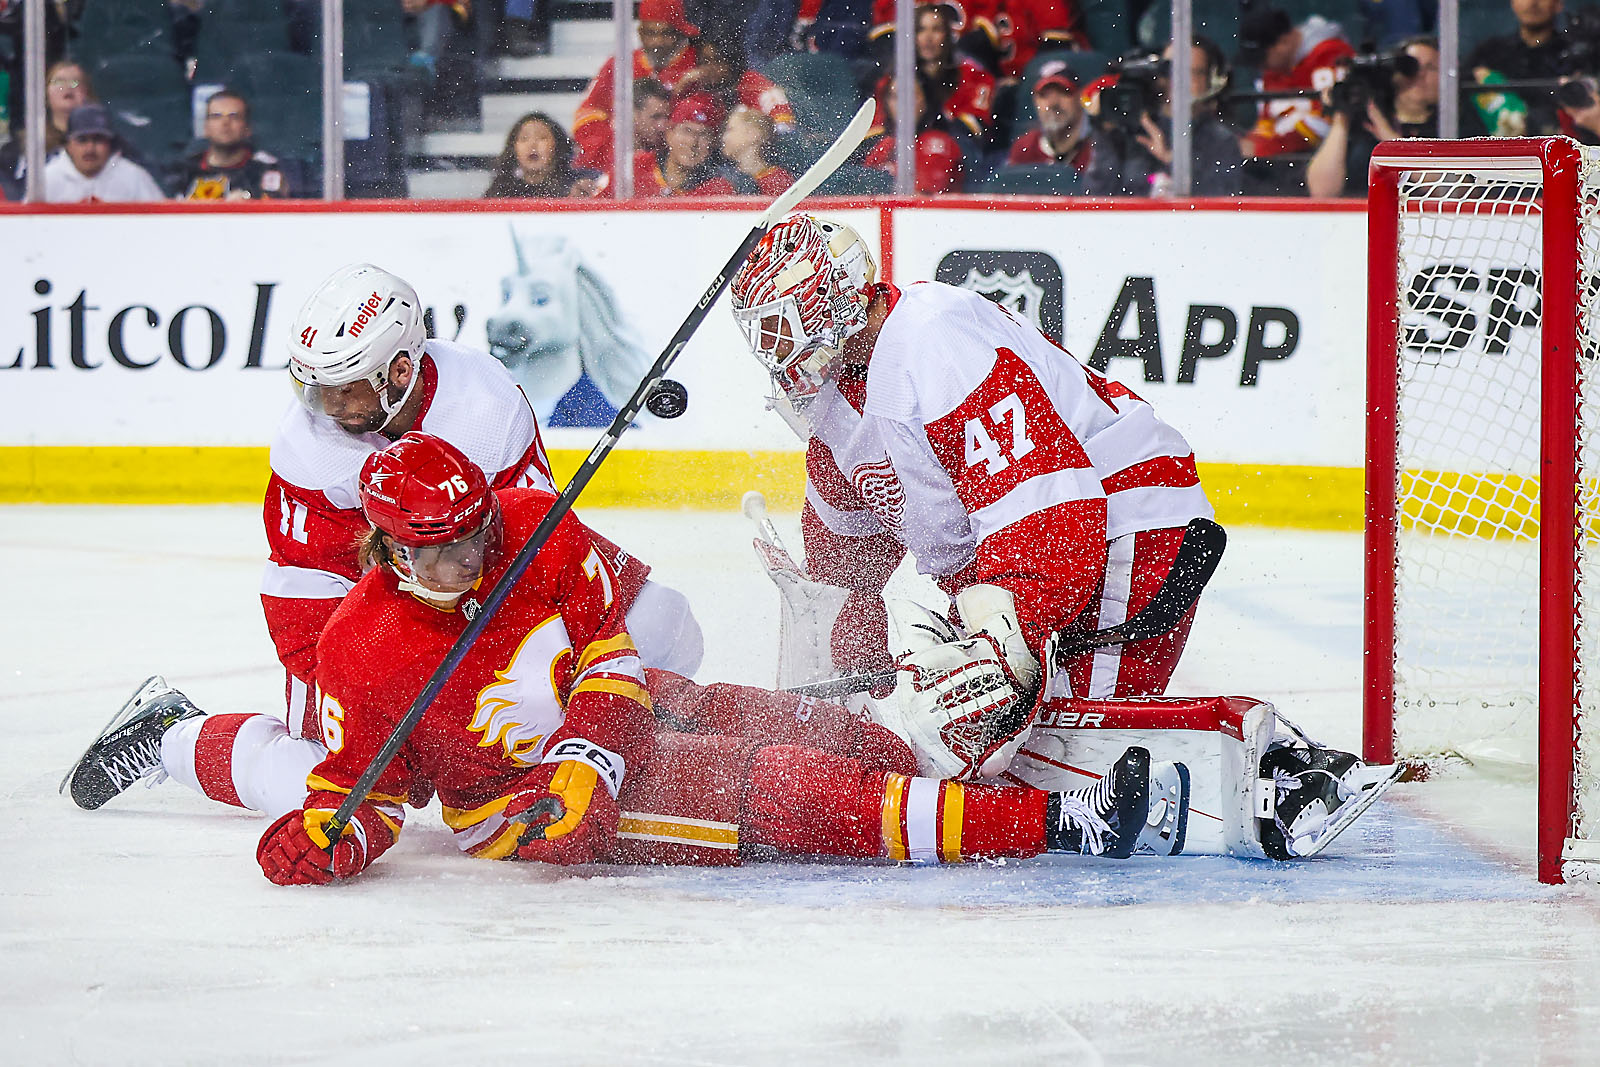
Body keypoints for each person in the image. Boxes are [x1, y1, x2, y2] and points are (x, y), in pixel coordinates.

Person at [252, 432, 1197, 884]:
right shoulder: (359, 648)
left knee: (811, 725)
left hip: (614, 717)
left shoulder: (529, 520)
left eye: (476, 530)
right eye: (445, 547)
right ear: (389, 548)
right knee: (785, 780)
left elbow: (607, 654)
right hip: (524, 800)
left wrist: (593, 750)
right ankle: (1053, 823)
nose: (473, 555)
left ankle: (955, 772)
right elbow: (365, 790)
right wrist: (329, 840)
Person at [61, 263, 703, 819]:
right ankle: (173, 735)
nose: (327, 407)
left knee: (664, 621)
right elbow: (310, 593)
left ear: (400, 369)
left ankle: (615, 739)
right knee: (326, 781)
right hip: (362, 606)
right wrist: (379, 699)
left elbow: (536, 538)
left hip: (480, 568)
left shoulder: (481, 402)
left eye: (344, 388)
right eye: (314, 388)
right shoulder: (309, 450)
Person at [727, 212, 1214, 772]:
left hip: (1123, 526)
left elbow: (1047, 505)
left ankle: (1281, 772)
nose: (775, 351)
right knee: (994, 753)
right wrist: (852, 653)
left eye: (780, 326)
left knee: (1071, 758)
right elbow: (845, 550)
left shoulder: (936, 339)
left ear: (830, 301)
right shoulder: (836, 398)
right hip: (1042, 558)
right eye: (762, 334)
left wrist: (1010, 636)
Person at [1083, 38, 1241, 197]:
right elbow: (1096, 195)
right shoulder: (1128, 127)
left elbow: (1222, 200)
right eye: (1169, 69)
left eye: (1191, 72)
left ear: (1208, 82)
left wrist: (1171, 161)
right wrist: (1103, 132)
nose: (1178, 80)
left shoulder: (1221, 141)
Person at [573, 0, 702, 171]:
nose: (657, 42)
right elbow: (587, 115)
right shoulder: (620, 64)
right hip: (623, 161)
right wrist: (617, 149)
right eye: (651, 33)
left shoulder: (697, 64)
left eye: (666, 33)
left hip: (681, 163)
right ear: (640, 32)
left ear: (679, 33)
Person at [1306, 37, 1440, 199]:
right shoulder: (1361, 123)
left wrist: (1388, 137)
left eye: (1430, 67)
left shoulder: (1450, 122)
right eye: (1410, 66)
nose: (1420, 74)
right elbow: (1322, 192)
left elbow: (1449, 188)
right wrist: (1341, 117)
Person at [1238, 7, 1356, 158]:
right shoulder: (1274, 70)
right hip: (1284, 162)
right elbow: (1266, 125)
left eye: (1262, 58)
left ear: (1284, 42)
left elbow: (1327, 124)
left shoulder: (1331, 54)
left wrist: (1263, 149)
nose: (1258, 66)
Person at [1467, 0, 1574, 137]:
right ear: (1512, 3)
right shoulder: (1489, 53)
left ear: (1559, 4)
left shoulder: (1574, 54)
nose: (1532, 3)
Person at [167, 89, 292, 201]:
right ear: (205, 127)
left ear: (247, 128)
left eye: (234, 116)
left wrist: (247, 200)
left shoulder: (264, 169)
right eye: (216, 116)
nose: (225, 123)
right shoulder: (183, 170)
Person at [671, 31, 797, 138]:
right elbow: (672, 125)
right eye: (705, 61)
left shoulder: (751, 83)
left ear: (732, 63)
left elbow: (784, 127)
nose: (710, 68)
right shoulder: (696, 85)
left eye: (718, 61)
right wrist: (680, 89)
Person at [0, 58, 94, 199]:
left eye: (74, 82)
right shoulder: (19, 146)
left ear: (86, 93)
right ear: (46, 94)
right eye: (58, 82)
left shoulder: (105, 142)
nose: (67, 87)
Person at [860, 72, 966, 193]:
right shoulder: (885, 144)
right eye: (895, 97)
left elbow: (921, 198)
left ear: (926, 100)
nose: (902, 104)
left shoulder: (936, 143)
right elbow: (864, 189)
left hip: (930, 211)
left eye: (910, 96)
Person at [43, 105, 165, 203]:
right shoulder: (48, 178)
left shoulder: (133, 176)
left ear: (110, 143)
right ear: (68, 145)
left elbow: (162, 223)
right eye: (82, 140)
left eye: (98, 139)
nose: (90, 148)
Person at [1006, 59, 1094, 173]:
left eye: (1063, 92)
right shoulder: (1025, 149)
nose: (1053, 103)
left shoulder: (1098, 149)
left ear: (1079, 97)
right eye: (1045, 95)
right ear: (1035, 101)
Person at [482, 111, 598, 198]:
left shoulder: (575, 185)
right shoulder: (501, 189)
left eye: (542, 138)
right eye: (524, 139)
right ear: (513, 148)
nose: (532, 145)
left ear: (557, 146)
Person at [632, 91, 725, 196]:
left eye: (703, 134)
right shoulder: (637, 166)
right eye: (687, 130)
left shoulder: (717, 189)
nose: (693, 142)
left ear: (712, 143)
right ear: (669, 134)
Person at [697, 106, 797, 195]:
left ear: (753, 134)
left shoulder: (777, 180)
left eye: (730, 130)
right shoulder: (719, 179)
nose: (723, 138)